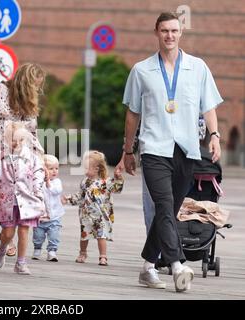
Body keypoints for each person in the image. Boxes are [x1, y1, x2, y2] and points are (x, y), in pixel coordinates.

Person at [122, 12, 223, 292]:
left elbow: (209, 106)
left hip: (187, 149)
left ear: (181, 33)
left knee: (170, 208)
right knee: (164, 205)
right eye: (164, 30)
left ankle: (147, 267)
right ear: (156, 32)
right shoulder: (141, 70)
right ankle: (177, 265)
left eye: (174, 31)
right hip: (154, 148)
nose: (169, 35)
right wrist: (127, 151)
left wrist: (214, 136)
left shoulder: (197, 67)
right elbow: (132, 114)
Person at [0, 63, 46, 259]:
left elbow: (32, 134)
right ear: (26, 83)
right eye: (35, 86)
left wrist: (40, 158)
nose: (37, 91)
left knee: (13, 198)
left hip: (18, 158)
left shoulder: (29, 104)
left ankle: (7, 237)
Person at [0, 122, 45, 275]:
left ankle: (21, 262)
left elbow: (39, 173)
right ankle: (1, 248)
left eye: (20, 140)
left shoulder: (32, 158)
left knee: (24, 231)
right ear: (5, 140)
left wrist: (37, 189)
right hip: (8, 203)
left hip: (27, 200)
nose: (17, 143)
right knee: (8, 234)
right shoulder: (1, 159)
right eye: (13, 140)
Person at [63, 151, 124, 266]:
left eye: (86, 168)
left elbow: (117, 189)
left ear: (96, 169)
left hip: (101, 215)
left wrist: (119, 179)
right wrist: (69, 199)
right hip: (86, 214)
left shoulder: (106, 182)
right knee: (84, 235)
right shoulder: (84, 182)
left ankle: (103, 256)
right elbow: (80, 196)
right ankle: (83, 253)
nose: (84, 170)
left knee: (101, 236)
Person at [32, 154, 65, 262]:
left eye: (56, 168)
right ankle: (37, 249)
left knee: (54, 235)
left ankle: (52, 251)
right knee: (38, 235)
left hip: (54, 216)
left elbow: (56, 191)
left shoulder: (57, 182)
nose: (54, 171)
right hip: (40, 215)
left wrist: (48, 182)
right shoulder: (38, 182)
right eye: (51, 169)